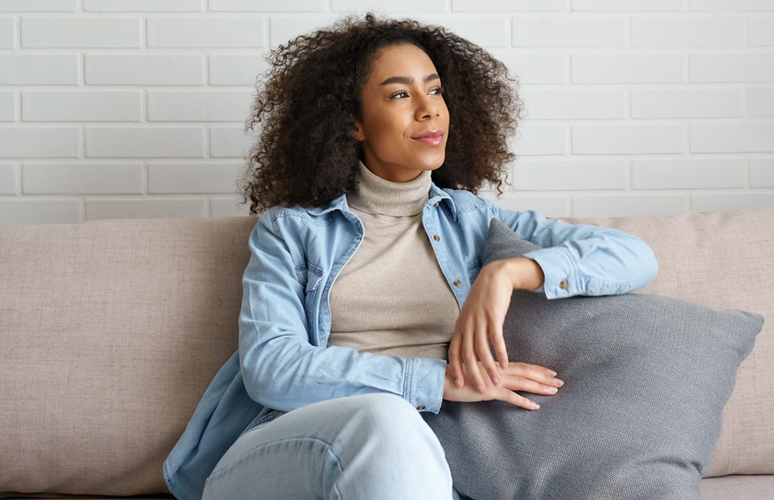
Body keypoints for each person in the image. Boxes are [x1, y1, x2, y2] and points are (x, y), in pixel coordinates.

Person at [163, 14, 658, 500]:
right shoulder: (292, 230)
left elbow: (633, 256)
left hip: (422, 458)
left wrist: (509, 272)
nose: (429, 109)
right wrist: (434, 380)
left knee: (400, 431)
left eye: (435, 90)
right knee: (385, 414)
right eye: (401, 94)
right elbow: (272, 367)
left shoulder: (473, 221)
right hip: (291, 446)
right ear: (353, 122)